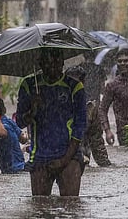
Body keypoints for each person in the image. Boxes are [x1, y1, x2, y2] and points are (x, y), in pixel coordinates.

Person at [15, 48, 87, 196]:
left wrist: (65, 159)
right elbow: (20, 122)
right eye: (47, 64)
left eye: (56, 63)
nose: (52, 68)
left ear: (62, 63)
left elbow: (80, 126)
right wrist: (32, 109)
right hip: (40, 157)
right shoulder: (29, 86)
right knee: (39, 208)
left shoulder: (74, 86)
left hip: (69, 156)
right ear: (40, 64)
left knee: (71, 207)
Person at [65, 64, 111, 167]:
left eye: (76, 83)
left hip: (82, 164)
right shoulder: (57, 107)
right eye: (69, 82)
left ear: (83, 83)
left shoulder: (90, 108)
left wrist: (106, 166)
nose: (73, 86)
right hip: (62, 161)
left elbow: (97, 142)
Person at [0, 97, 28, 174]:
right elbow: (23, 139)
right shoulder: (10, 122)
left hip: (10, 169)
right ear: (4, 109)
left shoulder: (0, 128)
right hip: (21, 166)